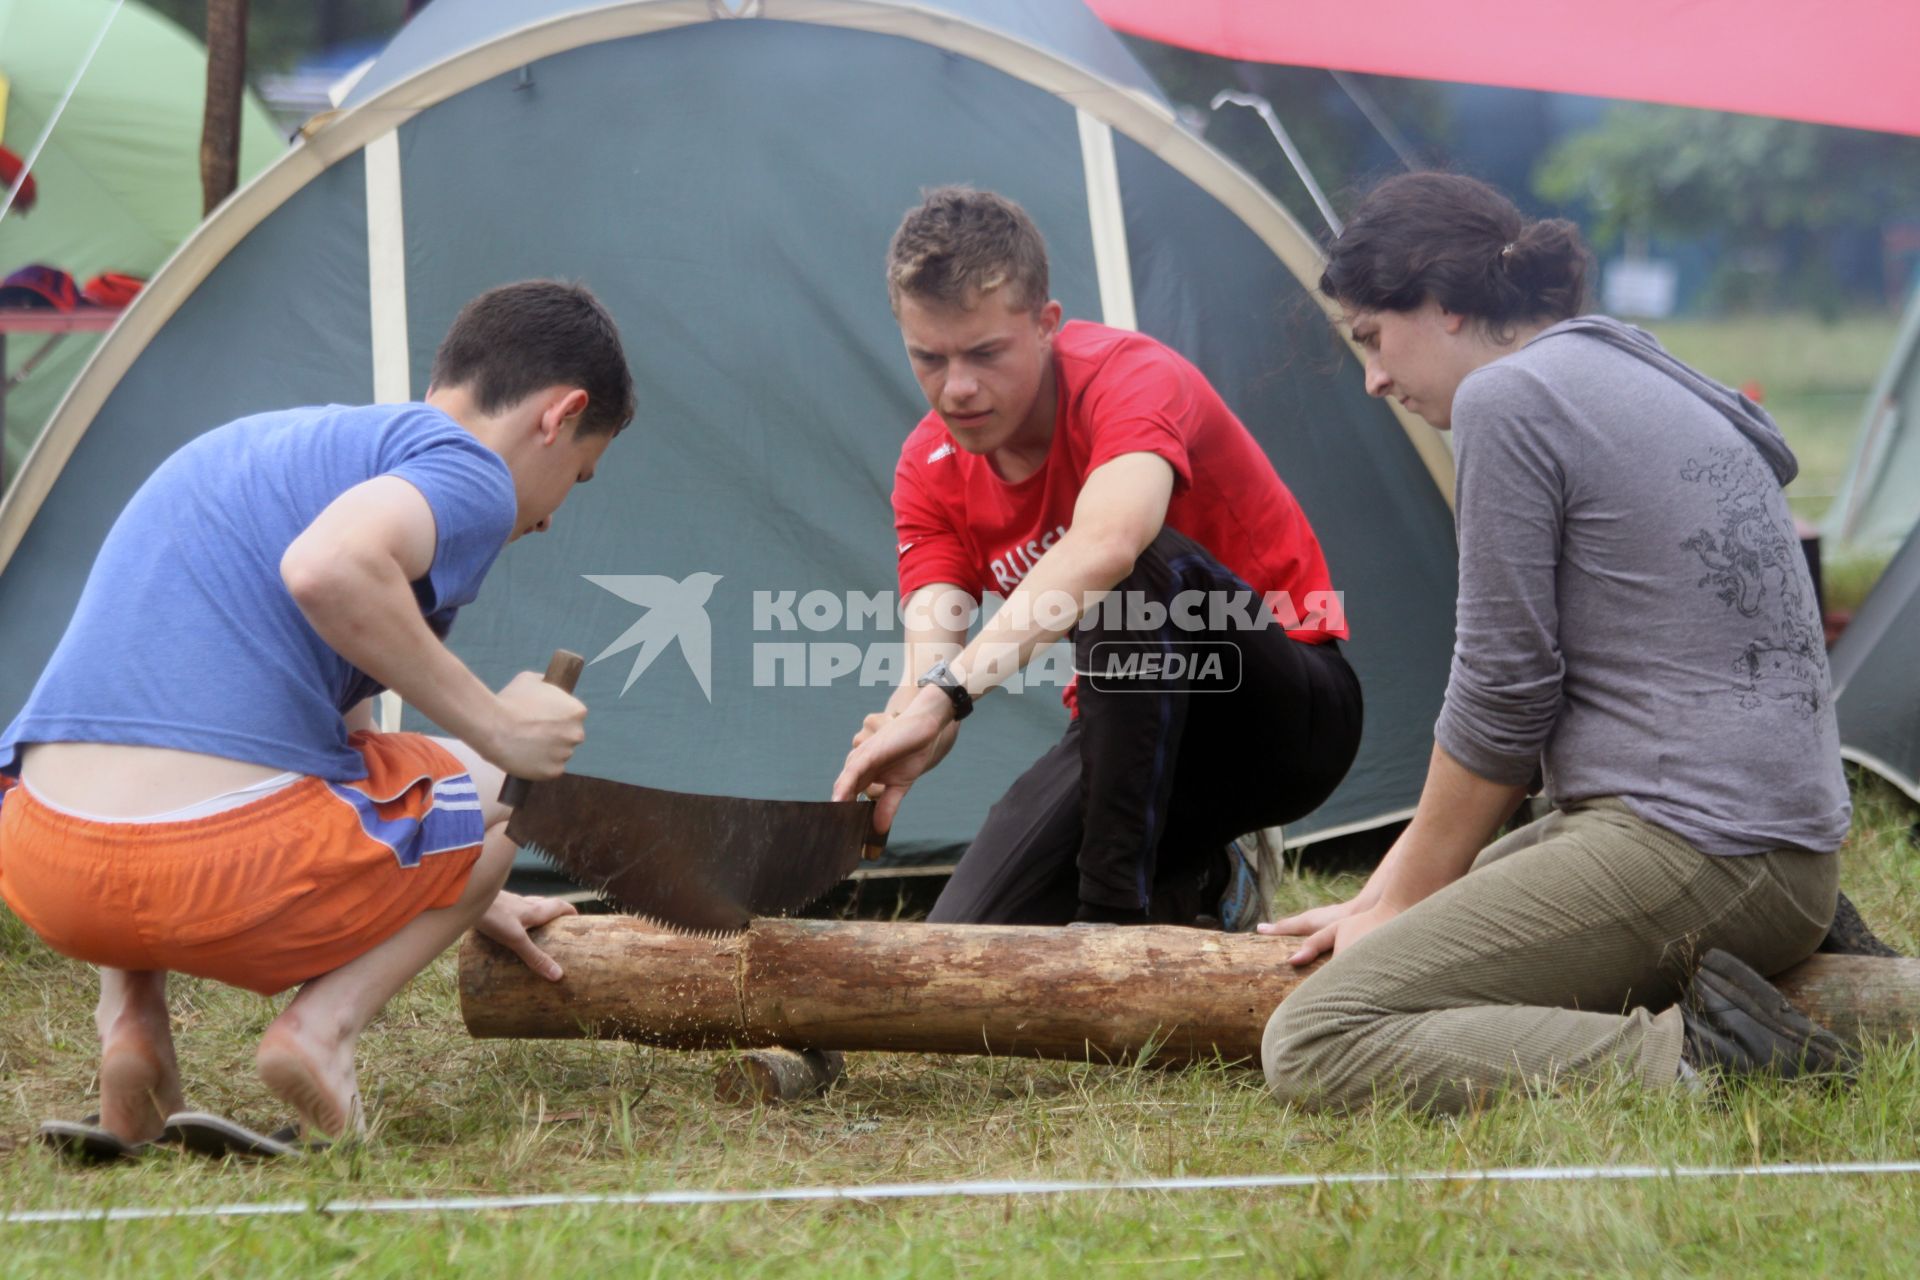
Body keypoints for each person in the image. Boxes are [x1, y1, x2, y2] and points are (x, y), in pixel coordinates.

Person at [1260, 173, 1853, 1113]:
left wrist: (1403, 901)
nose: (1374, 377)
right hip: (1774, 847)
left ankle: (1710, 1064)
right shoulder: (1625, 363)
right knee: (1450, 902)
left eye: (1373, 337)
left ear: (1444, 302)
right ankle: (1745, 978)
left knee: (1319, 1035)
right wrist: (1380, 900)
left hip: (1704, 848)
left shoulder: (1509, 400)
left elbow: (1504, 690)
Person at [0, 279, 635, 1150]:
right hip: (208, 866)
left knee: (177, 716)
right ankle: (320, 1035)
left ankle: (132, 1031)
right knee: (513, 777)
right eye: (581, 476)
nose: (556, 514)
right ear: (558, 417)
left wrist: (466, 887)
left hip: (44, 858)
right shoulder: (471, 471)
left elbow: (341, 742)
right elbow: (328, 568)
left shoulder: (262, 448)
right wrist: (499, 729)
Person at [831, 187, 1362, 927]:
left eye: (985, 353)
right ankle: (1208, 884)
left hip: (1282, 714)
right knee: (963, 935)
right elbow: (933, 660)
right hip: (1131, 744)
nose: (957, 387)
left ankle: (1108, 923)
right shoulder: (927, 467)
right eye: (929, 358)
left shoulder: (1131, 376)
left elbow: (1110, 544)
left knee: (1132, 571)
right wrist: (907, 726)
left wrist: (944, 695)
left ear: (1046, 324)